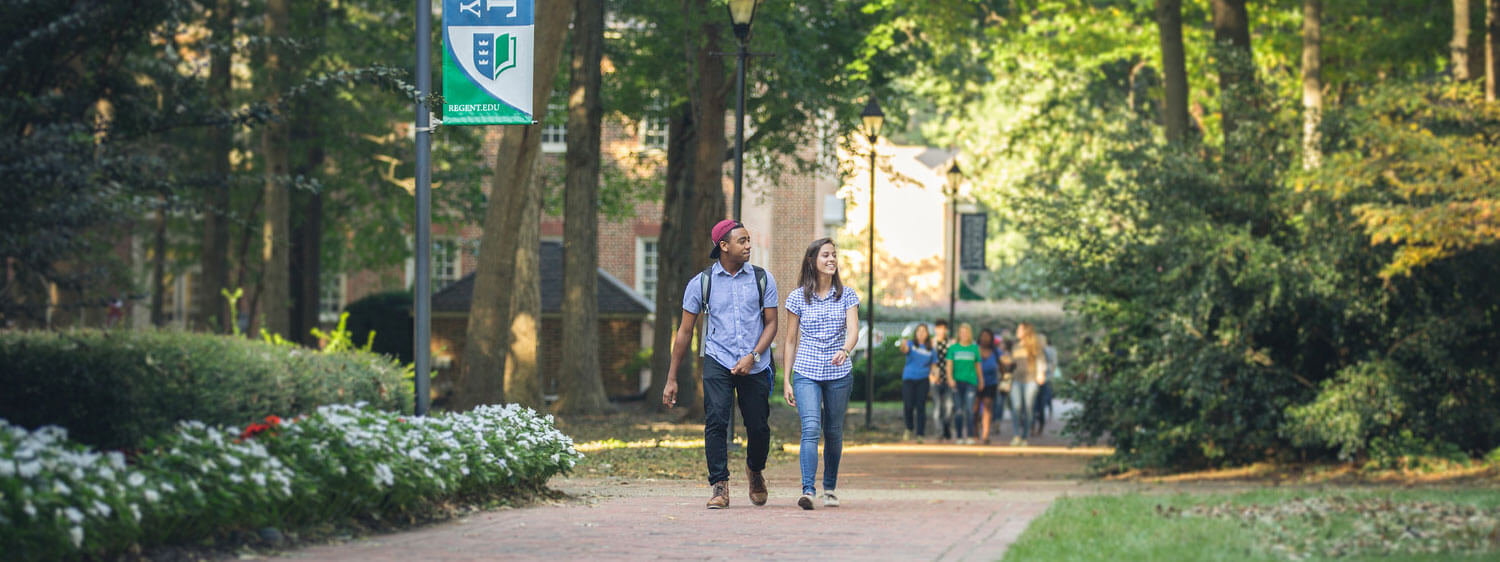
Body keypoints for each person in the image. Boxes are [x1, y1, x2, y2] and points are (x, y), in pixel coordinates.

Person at [662, 220, 779, 509]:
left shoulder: (763, 278)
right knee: (716, 420)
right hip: (718, 358)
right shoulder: (702, 283)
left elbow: (772, 324)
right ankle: (719, 485)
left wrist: (753, 356)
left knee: (759, 426)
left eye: (749, 239)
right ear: (723, 246)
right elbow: (685, 332)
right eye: (742, 241)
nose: (748, 245)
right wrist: (671, 378)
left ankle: (754, 469)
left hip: (756, 362)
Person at [782, 238, 860, 510]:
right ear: (812, 260)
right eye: (826, 255)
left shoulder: (847, 295)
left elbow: (853, 331)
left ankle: (829, 488)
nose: (831, 260)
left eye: (834, 255)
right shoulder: (797, 296)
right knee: (811, 427)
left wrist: (846, 350)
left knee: (834, 431)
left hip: (839, 373)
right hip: (807, 371)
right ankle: (808, 490)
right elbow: (790, 341)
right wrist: (786, 380)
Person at [1008, 322, 1048, 446]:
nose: (1017, 331)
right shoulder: (1015, 346)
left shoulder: (1035, 346)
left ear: (1025, 331)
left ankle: (1025, 436)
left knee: (1028, 408)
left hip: (1030, 380)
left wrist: (1041, 374)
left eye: (1019, 329)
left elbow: (1041, 360)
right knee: (1016, 407)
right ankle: (1016, 435)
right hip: (1016, 380)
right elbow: (1012, 364)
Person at [946, 324, 983, 445]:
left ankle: (971, 435)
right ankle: (959, 436)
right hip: (957, 382)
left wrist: (981, 380)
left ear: (969, 334)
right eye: (961, 332)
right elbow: (949, 365)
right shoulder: (953, 348)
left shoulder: (974, 348)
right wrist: (950, 378)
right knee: (958, 410)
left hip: (971, 382)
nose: (964, 334)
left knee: (969, 409)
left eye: (966, 332)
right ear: (959, 333)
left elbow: (978, 366)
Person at [899, 323, 935, 442]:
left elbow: (934, 366)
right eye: (919, 331)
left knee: (921, 406)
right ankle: (909, 428)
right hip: (909, 378)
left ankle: (920, 434)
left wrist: (936, 376)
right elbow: (904, 350)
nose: (921, 333)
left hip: (923, 379)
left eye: (924, 331)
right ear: (916, 333)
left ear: (927, 334)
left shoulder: (931, 349)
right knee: (908, 405)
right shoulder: (910, 344)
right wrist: (903, 342)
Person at [928, 320, 954, 441]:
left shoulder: (951, 343)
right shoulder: (931, 343)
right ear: (935, 329)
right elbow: (926, 361)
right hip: (934, 379)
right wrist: (931, 376)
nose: (941, 331)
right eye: (938, 328)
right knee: (937, 406)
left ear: (946, 330)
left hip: (948, 379)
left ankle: (946, 428)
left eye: (943, 328)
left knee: (949, 406)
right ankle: (939, 432)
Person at [975, 327, 1001, 445]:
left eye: (987, 336)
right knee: (974, 408)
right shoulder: (974, 349)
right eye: (983, 335)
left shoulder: (996, 352)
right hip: (975, 382)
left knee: (987, 407)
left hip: (991, 382)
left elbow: (1003, 365)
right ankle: (975, 431)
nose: (985, 338)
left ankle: (985, 433)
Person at [1034, 336, 1059, 437]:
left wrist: (1047, 375)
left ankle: (1040, 426)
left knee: (1041, 405)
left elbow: (1052, 365)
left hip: (1045, 381)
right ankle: (1033, 426)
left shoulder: (1048, 352)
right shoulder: (1033, 352)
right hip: (1034, 381)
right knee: (1034, 405)